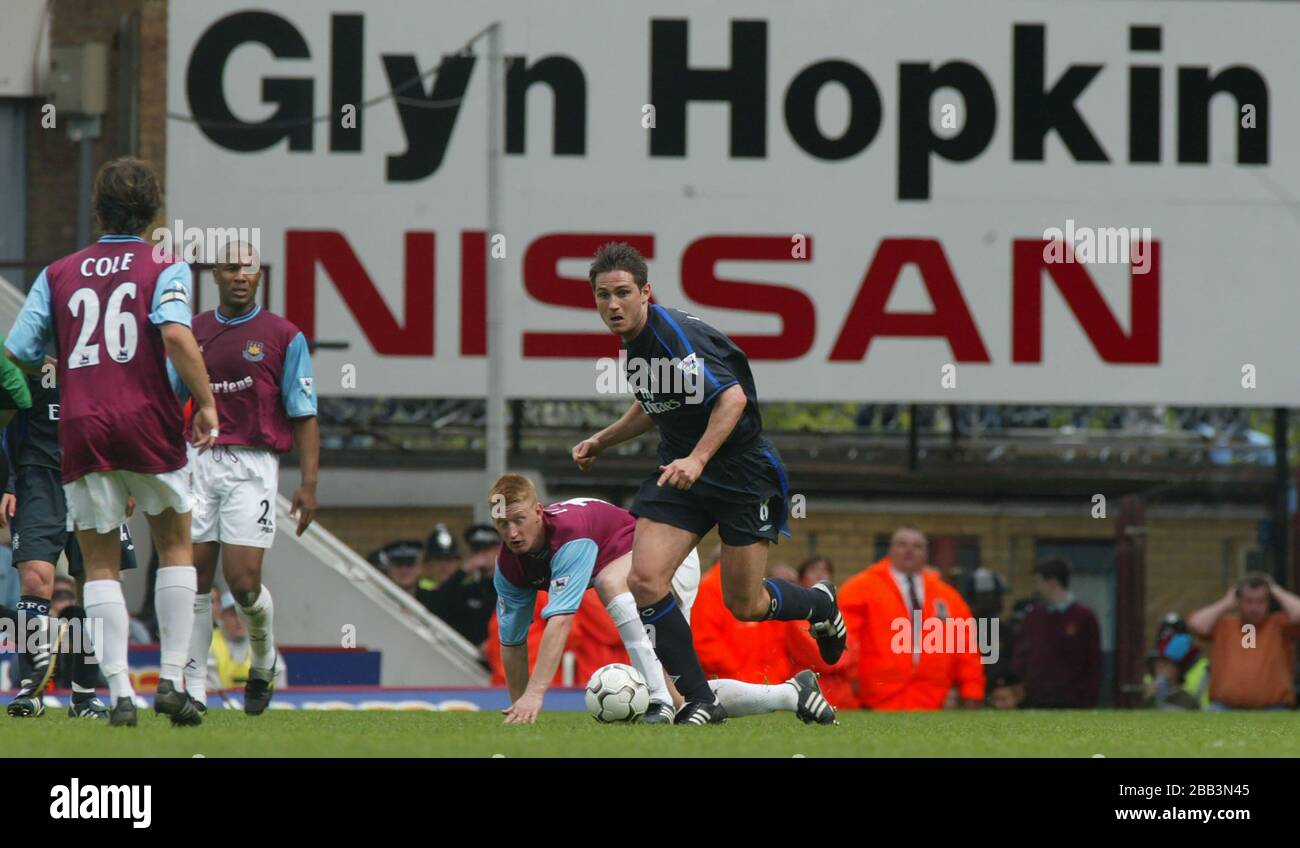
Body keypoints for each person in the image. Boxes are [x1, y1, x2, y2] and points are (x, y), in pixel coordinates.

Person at [571, 242, 845, 724]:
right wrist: (603, 439)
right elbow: (655, 404)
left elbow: (733, 399)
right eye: (602, 295)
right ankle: (700, 700)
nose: (612, 305)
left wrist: (697, 459)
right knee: (644, 580)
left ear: (645, 293)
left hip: (740, 473)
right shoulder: (635, 342)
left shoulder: (675, 336)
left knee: (745, 603)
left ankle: (818, 603)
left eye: (621, 293)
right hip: (681, 473)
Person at [5, 157, 218, 727]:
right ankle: (171, 681)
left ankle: (120, 694)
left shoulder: (58, 273)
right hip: (147, 418)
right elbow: (175, 333)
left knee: (96, 562)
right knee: (174, 543)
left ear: (98, 211)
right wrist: (208, 403)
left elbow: (18, 350)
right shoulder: (165, 266)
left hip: (82, 427)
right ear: (155, 212)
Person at [489, 474, 835, 725]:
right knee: (684, 694)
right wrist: (520, 706)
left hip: (671, 562)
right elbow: (512, 642)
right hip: (640, 579)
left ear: (538, 511)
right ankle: (793, 693)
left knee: (610, 581)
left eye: (519, 520)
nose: (512, 533)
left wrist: (537, 694)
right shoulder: (508, 566)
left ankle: (657, 702)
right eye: (503, 524)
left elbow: (561, 621)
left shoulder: (569, 538)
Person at [174, 241, 319, 716]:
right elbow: (169, 402)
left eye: (248, 268)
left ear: (258, 276)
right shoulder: (190, 333)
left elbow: (304, 413)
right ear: (215, 275)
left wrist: (309, 484)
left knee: (243, 583)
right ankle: (194, 688)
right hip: (198, 461)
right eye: (231, 267)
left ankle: (263, 658)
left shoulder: (283, 336)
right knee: (193, 575)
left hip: (254, 465)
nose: (240, 275)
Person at [2, 359, 138, 719]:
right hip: (37, 476)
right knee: (34, 579)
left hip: (94, 475)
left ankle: (84, 695)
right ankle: (32, 689)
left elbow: (122, 414)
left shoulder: (105, 342)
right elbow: (7, 414)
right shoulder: (27, 345)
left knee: (94, 584)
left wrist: (127, 476)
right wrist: (8, 483)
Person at [838, 526, 985, 710]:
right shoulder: (859, 588)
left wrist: (971, 692)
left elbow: (966, 647)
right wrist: (850, 680)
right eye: (902, 544)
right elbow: (844, 639)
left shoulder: (948, 597)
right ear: (890, 549)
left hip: (933, 703)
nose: (909, 550)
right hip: (874, 700)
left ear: (926, 553)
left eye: (917, 546)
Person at [1186, 574, 1300, 709]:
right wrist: (1226, 602)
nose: (1254, 607)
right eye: (1249, 601)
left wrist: (1276, 590)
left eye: (1261, 601)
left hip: (1275, 708)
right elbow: (1196, 624)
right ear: (1238, 601)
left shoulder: (1279, 624)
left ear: (1269, 601)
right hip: (1223, 707)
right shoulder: (1224, 625)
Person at [1012, 558, 1102, 708]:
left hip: (1072, 704)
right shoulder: (1033, 616)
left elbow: (1093, 663)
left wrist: (1087, 702)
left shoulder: (1084, 617)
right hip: (1036, 702)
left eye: (1037, 582)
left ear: (1052, 583)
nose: (1035, 589)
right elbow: (1022, 653)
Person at [426, 523, 498, 648]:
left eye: (488, 549)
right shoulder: (469, 590)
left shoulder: (514, 586)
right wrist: (462, 572)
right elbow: (438, 607)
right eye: (477, 550)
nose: (482, 555)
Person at [420, 523, 461, 593]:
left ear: (457, 563)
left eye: (449, 560)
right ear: (427, 564)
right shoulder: (418, 590)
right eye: (438, 559)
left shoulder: (466, 590)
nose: (444, 565)